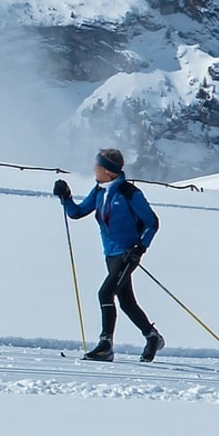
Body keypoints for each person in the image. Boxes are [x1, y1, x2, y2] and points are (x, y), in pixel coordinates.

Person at [54, 149, 165, 363]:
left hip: (127, 253)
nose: (94, 168)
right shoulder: (99, 191)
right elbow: (76, 213)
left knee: (105, 293)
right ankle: (153, 337)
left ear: (108, 170)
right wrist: (65, 197)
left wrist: (140, 248)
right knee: (126, 302)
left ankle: (106, 345)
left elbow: (152, 222)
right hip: (110, 253)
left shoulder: (130, 193)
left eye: (97, 165)